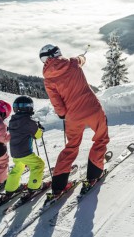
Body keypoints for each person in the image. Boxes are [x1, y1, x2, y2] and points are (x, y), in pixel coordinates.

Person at [40, 44, 109, 196]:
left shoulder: (48, 80)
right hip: (92, 109)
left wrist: (63, 114)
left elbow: (57, 102)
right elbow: (81, 59)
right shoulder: (72, 62)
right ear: (57, 53)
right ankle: (94, 174)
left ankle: (58, 185)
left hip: (72, 116)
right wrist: (83, 56)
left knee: (71, 147)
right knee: (101, 139)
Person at [3, 96, 45, 198]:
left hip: (15, 152)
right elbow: (37, 135)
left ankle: (10, 189)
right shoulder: (28, 121)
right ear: (29, 108)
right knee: (38, 164)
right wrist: (39, 128)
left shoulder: (12, 120)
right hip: (25, 152)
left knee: (18, 168)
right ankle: (34, 187)